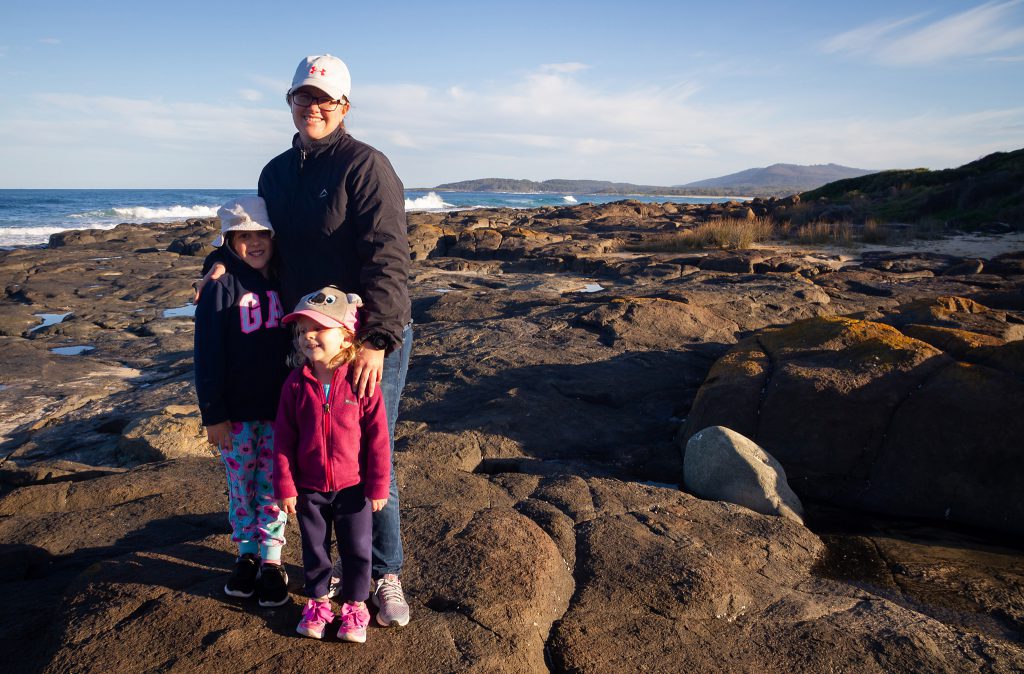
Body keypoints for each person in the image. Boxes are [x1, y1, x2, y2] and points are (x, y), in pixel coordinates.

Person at [199, 52, 413, 626]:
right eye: (303, 98)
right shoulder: (274, 173)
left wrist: (378, 340)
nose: (313, 108)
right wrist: (219, 261)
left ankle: (385, 572)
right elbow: (257, 239)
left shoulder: (366, 167)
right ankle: (340, 569)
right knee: (317, 451)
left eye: (325, 100)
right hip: (309, 337)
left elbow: (389, 256)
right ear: (289, 102)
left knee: (369, 453)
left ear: (344, 107)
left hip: (364, 338)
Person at [273, 287, 390, 643]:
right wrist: (285, 486)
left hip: (353, 487)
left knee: (357, 549)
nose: (307, 336)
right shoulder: (294, 386)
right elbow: (283, 440)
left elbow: (379, 439)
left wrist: (378, 485)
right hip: (309, 489)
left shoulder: (362, 382)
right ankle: (319, 602)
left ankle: (355, 606)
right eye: (301, 329)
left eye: (318, 327)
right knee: (315, 549)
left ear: (346, 336)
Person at [193, 196, 292, 607]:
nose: (253, 243)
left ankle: (272, 561)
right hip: (234, 417)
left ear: (274, 237)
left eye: (260, 234)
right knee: (241, 488)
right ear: (229, 240)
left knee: (273, 487)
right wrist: (213, 414)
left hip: (280, 413)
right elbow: (207, 353)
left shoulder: (288, 279)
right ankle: (246, 555)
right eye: (242, 236)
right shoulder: (219, 285)